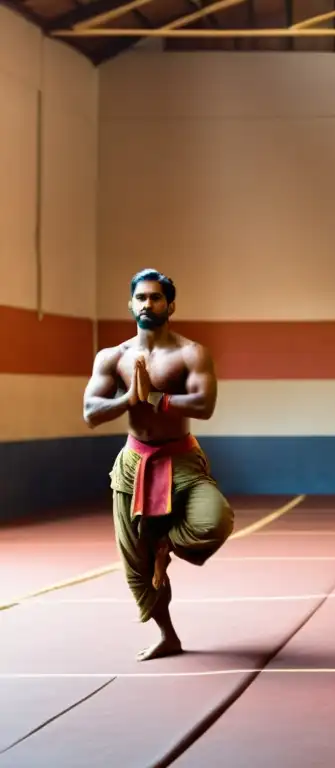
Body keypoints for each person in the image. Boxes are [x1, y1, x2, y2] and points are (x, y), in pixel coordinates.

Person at [82, 269, 234, 661]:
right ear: (131, 304)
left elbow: (205, 405)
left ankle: (168, 542)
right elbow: (91, 412)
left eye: (155, 298)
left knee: (214, 521)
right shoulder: (112, 357)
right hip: (134, 462)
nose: (147, 304)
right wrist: (129, 398)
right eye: (141, 298)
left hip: (181, 457)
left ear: (170, 305)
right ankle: (168, 636)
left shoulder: (190, 353)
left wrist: (156, 400)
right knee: (137, 564)